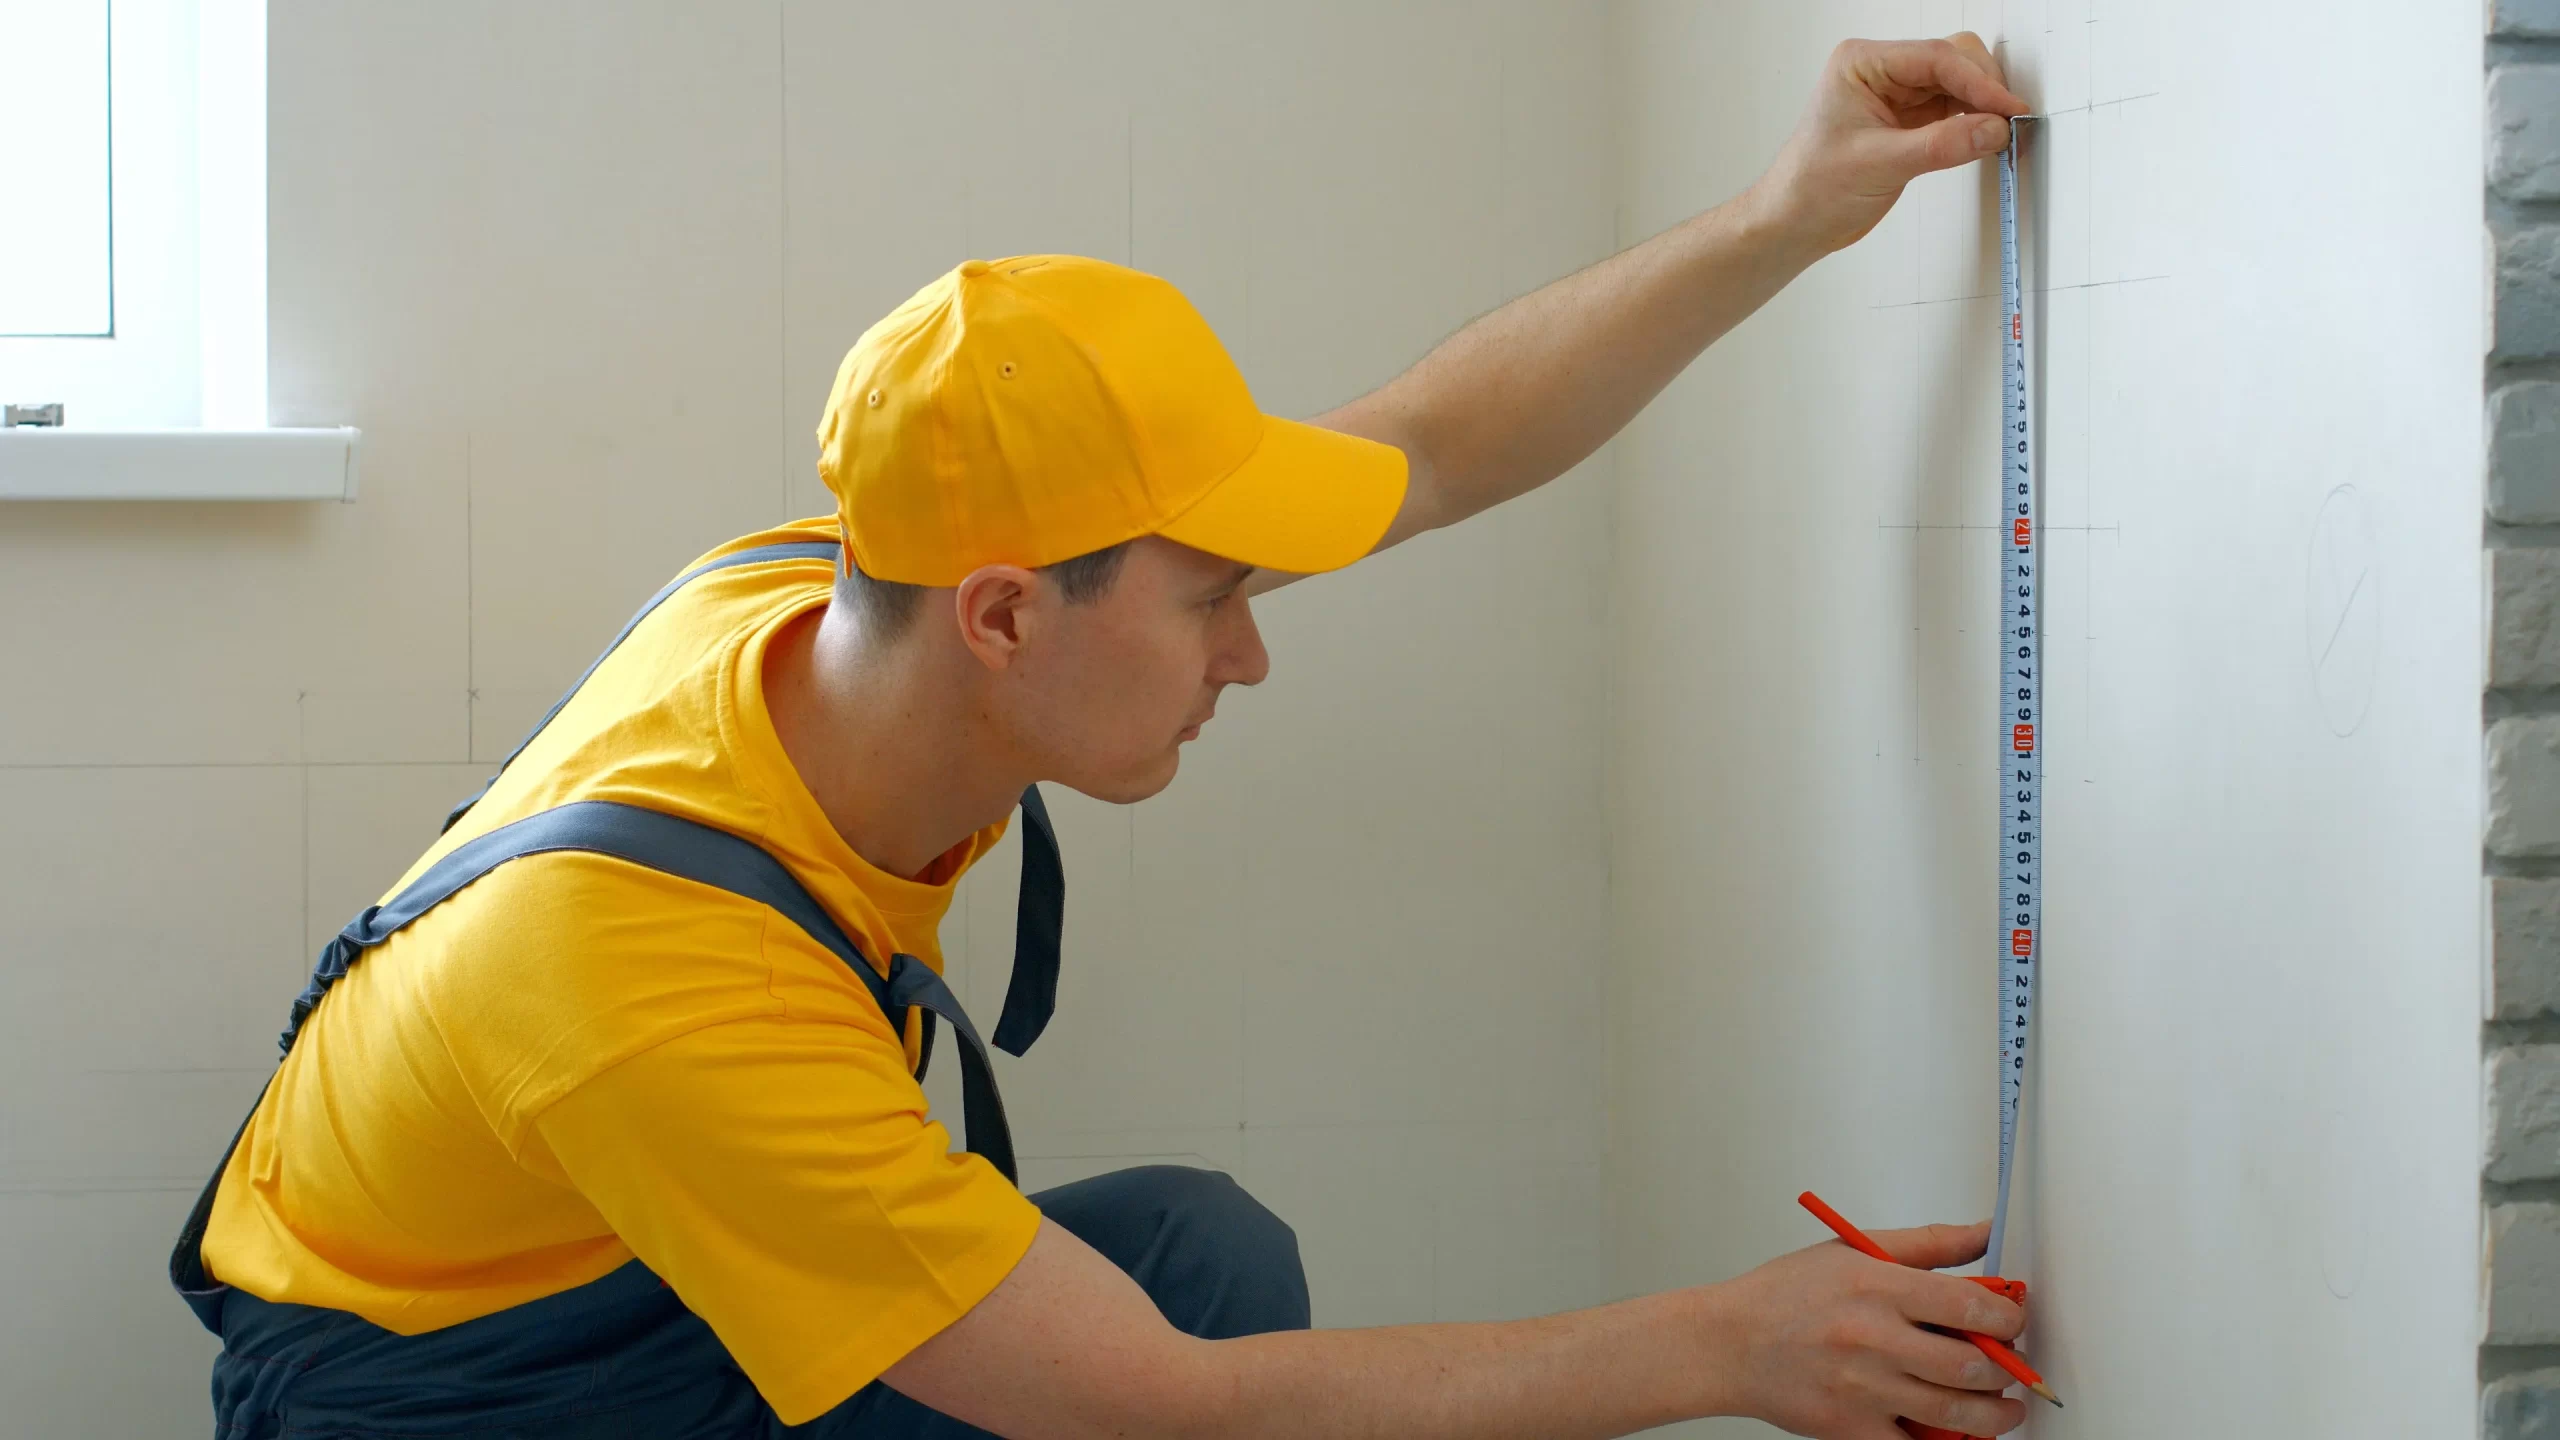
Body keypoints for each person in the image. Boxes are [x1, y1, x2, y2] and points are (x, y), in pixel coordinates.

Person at [175, 34, 2035, 1440]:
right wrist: (1724, 1345)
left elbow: (1442, 447)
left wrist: (1788, 211)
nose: (1253, 655)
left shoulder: (828, 599)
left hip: (612, 1251)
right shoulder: (651, 987)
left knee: (1199, 1251)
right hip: (417, 1392)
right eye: (1214, 598)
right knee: (1167, 1355)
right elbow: (1163, 1403)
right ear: (1001, 618)